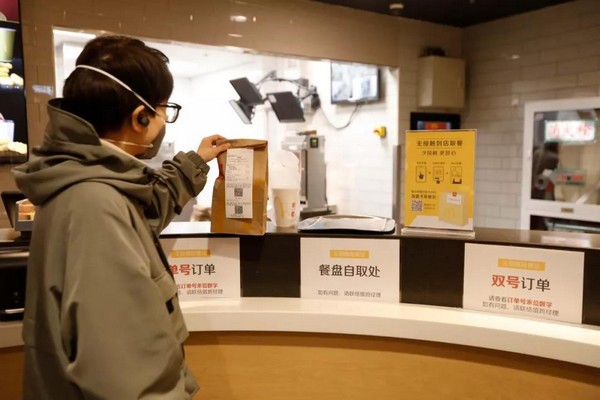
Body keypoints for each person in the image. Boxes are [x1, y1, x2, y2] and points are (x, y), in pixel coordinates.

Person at [12, 35, 229, 399]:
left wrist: (196, 161)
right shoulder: (94, 207)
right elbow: (127, 379)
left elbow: (145, 209)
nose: (165, 120)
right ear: (140, 117)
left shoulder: (83, 179)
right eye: (164, 109)